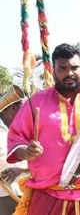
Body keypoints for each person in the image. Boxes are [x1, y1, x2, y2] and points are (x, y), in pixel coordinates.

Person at [7, 43, 80, 215]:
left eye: (74, 67)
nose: (69, 73)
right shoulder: (36, 102)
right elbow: (16, 138)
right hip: (46, 197)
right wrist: (26, 151)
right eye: (63, 68)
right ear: (54, 70)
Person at [0, 86, 27, 215]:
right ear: (13, 109)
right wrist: (29, 165)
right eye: (24, 109)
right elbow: (4, 165)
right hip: (6, 195)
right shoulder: (1, 133)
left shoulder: (12, 129)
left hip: (16, 191)